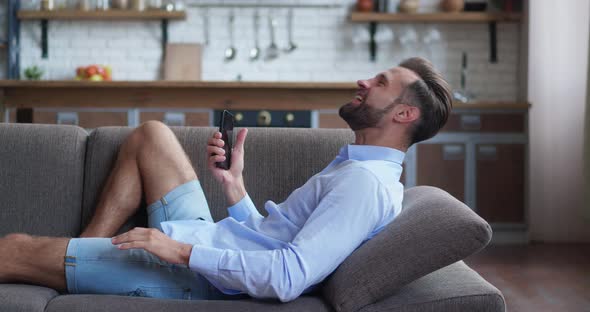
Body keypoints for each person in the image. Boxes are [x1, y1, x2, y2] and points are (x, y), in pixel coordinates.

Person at [0, 57, 452, 302]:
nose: (363, 80)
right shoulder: (359, 168)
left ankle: (72, 264)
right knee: (151, 136)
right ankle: (80, 260)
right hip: (218, 238)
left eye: (380, 81)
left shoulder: (364, 186)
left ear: (403, 113)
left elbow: (289, 275)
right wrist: (235, 188)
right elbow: (274, 241)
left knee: (13, 248)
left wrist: (178, 251)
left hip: (198, 275)